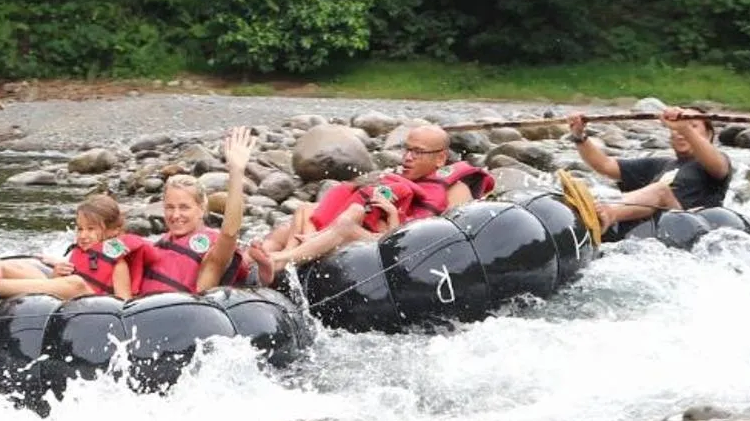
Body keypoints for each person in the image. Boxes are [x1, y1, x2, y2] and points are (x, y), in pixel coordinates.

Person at [248, 123, 493, 277]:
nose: (407, 158)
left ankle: (283, 262)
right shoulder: (399, 179)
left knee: (347, 222)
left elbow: (432, 241)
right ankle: (249, 266)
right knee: (297, 216)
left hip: (393, 248)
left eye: (417, 152)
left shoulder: (455, 189)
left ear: (440, 159)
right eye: (406, 150)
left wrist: (393, 216)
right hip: (370, 233)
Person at [0, 192, 151, 301]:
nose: (83, 235)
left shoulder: (118, 264)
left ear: (113, 231)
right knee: (31, 270)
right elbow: (53, 287)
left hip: (92, 306)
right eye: (79, 229)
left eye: (91, 229)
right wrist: (58, 274)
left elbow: (122, 303)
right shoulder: (79, 254)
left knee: (76, 283)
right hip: (64, 298)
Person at [563, 108, 732, 232]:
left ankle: (607, 212)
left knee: (661, 191)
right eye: (676, 129)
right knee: (610, 192)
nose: (680, 133)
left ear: (709, 135)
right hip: (653, 228)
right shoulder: (661, 165)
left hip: (689, 225)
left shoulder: (717, 162)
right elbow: (605, 165)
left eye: (692, 126)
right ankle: (589, 210)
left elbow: (718, 167)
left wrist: (684, 127)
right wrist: (579, 137)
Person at [138, 127, 258, 294]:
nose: (175, 215)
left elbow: (230, 233)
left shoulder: (211, 256)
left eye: (184, 207)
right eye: (169, 207)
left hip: (187, 315)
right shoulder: (156, 246)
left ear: (201, 209)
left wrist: (236, 172)